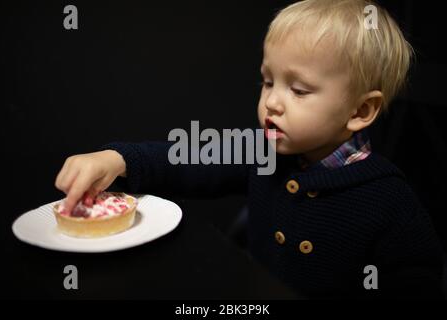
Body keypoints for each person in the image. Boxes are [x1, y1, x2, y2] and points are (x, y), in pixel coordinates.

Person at [55, 0, 444, 298]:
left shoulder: (389, 199)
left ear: (360, 110)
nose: (272, 102)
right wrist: (117, 158)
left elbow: (419, 280)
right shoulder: (260, 151)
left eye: (298, 89)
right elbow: (186, 159)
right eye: (268, 81)